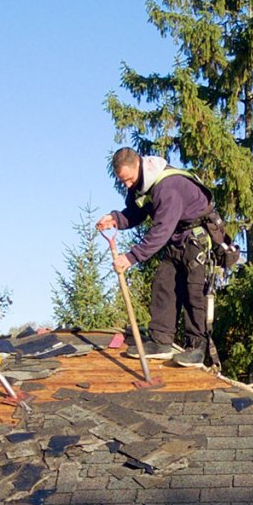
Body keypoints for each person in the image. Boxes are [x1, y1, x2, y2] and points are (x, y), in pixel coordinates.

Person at [96, 147, 216, 367]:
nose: (127, 185)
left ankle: (196, 349)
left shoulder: (167, 187)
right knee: (163, 284)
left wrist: (131, 257)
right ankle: (161, 342)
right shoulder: (139, 186)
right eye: (122, 181)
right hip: (176, 239)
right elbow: (135, 213)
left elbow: (161, 229)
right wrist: (114, 219)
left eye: (128, 179)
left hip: (196, 238)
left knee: (194, 294)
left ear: (138, 166)